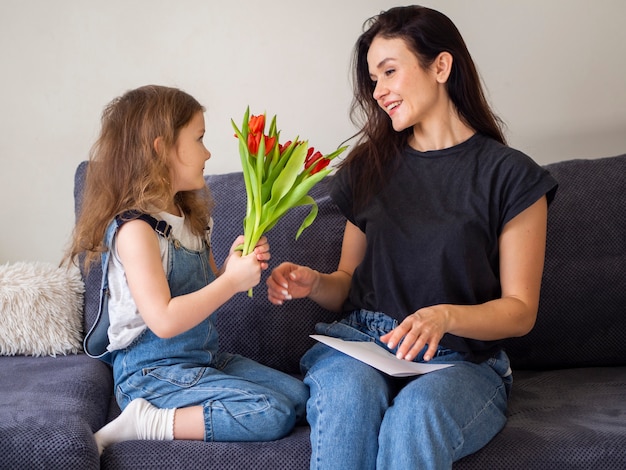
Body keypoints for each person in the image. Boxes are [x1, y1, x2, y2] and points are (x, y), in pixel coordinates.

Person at [267, 5, 558, 469]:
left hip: (460, 359)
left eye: (389, 72)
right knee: (348, 400)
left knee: (416, 417)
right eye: (373, 79)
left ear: (440, 66)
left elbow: (519, 312)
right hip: (363, 344)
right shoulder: (369, 167)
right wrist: (315, 283)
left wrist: (443, 317)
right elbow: (346, 282)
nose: (378, 92)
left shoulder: (511, 176)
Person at [66, 85, 308, 455]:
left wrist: (232, 265)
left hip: (201, 359)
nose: (208, 152)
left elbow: (205, 291)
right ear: (162, 148)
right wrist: (231, 282)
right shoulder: (136, 231)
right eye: (199, 139)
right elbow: (163, 320)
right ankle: (145, 420)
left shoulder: (192, 218)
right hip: (151, 373)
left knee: (299, 397)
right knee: (272, 413)